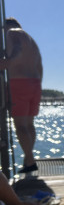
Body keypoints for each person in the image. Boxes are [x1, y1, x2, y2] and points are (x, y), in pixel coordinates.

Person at [0, 17, 43, 173]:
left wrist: (8, 61)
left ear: (7, 26)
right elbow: (39, 67)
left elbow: (17, 50)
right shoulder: (32, 42)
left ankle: (30, 161)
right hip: (35, 83)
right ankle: (28, 159)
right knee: (29, 124)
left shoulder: (12, 32)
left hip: (19, 83)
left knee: (20, 126)